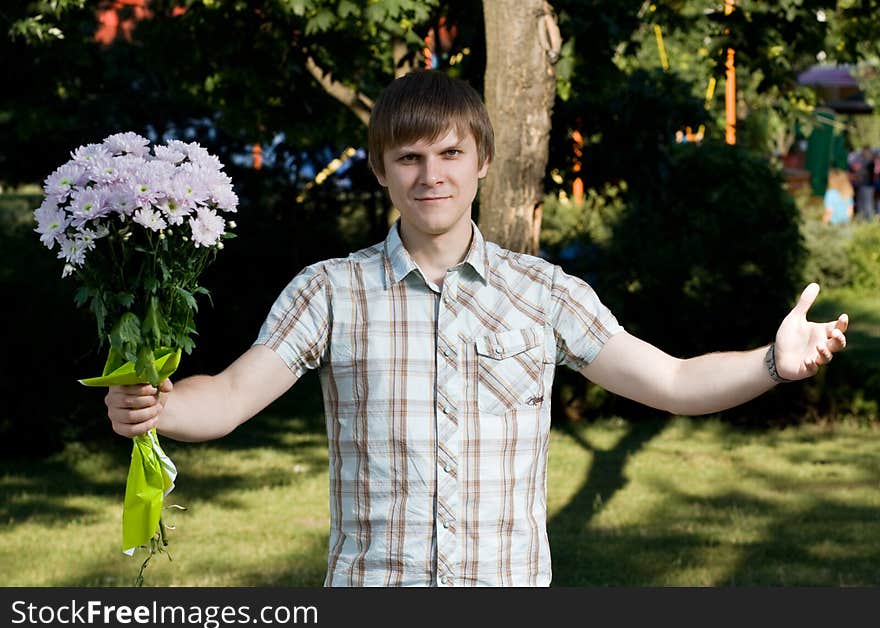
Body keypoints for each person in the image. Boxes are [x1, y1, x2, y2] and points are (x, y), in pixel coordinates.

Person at [105, 70, 849, 587]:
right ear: (381, 171)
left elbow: (676, 381)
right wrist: (159, 407)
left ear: (483, 161)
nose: (432, 174)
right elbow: (229, 397)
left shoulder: (543, 292)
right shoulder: (330, 291)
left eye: (451, 153)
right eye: (410, 157)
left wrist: (772, 363)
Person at [851, 145, 876, 221]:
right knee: (863, 204)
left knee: (867, 205)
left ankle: (867, 220)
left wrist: (857, 175)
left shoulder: (869, 162)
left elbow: (863, 173)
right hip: (864, 185)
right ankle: (863, 220)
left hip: (867, 185)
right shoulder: (866, 161)